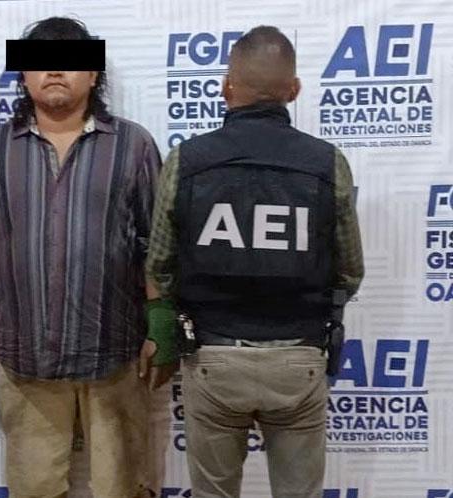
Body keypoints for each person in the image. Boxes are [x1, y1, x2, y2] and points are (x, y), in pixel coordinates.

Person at [143, 26, 364, 498]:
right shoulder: (327, 163)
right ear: (294, 90)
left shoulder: (187, 161)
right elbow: (350, 271)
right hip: (299, 358)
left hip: (214, 358)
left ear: (226, 88)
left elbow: (159, 265)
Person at [0, 17, 163, 498]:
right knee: (34, 490)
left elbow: (154, 245)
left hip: (114, 352)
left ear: (93, 74)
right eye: (41, 63)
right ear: (23, 75)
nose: (56, 72)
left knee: (123, 489)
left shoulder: (134, 147)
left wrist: (162, 327)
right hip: (27, 356)